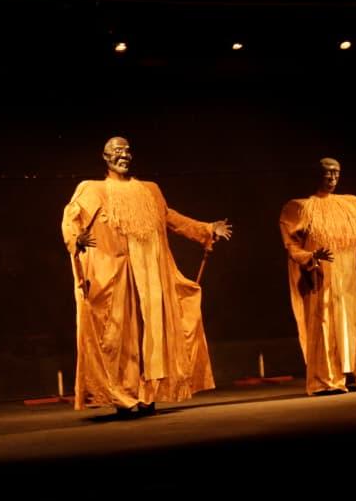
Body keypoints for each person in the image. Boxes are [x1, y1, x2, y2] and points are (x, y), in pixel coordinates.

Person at [61, 136, 232, 415]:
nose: (123, 155)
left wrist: (206, 229)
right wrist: (75, 238)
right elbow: (72, 218)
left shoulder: (150, 190)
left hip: (151, 274)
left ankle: (147, 394)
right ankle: (123, 397)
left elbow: (170, 218)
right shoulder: (92, 189)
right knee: (120, 336)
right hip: (117, 276)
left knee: (151, 335)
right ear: (105, 157)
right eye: (117, 151)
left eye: (127, 151)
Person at [279, 157, 356, 395]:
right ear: (316, 175)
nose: (332, 178)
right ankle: (327, 379)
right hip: (324, 275)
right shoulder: (299, 208)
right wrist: (310, 257)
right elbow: (292, 245)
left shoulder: (354, 203)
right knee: (326, 323)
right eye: (327, 173)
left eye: (336, 173)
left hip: (351, 275)